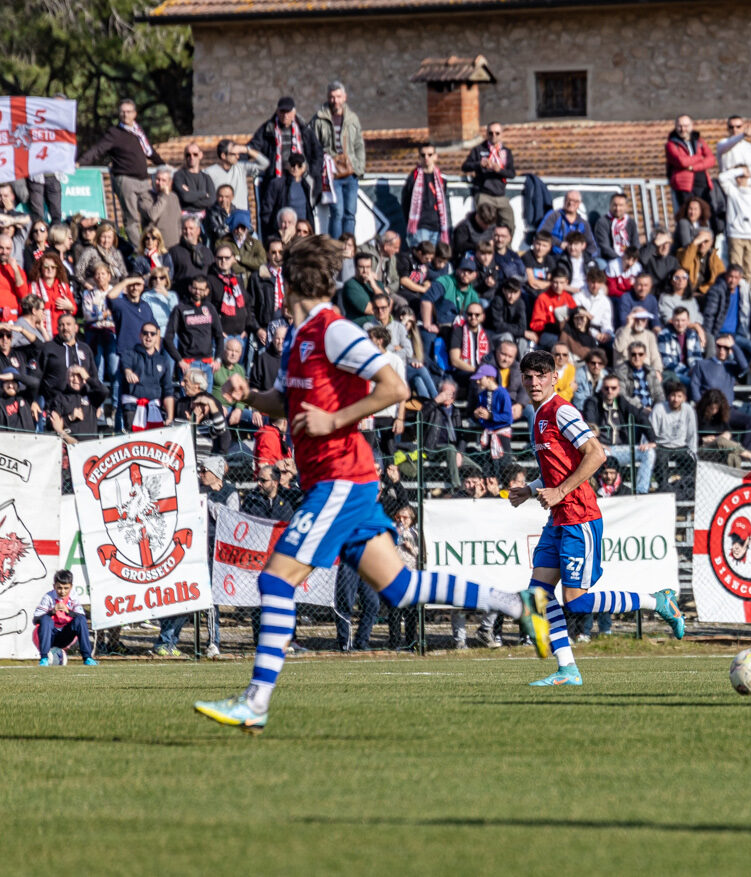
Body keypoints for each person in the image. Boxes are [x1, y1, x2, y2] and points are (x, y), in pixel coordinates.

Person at [192, 235, 553, 733]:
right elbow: (286, 402)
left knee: (275, 580)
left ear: (291, 280)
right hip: (345, 484)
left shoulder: (334, 331)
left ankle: (255, 702)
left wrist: (335, 419)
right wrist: (250, 396)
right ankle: (517, 602)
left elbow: (396, 388)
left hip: (340, 479)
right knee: (401, 587)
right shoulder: (298, 338)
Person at [509, 350, 685, 686]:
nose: (533, 382)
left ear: (553, 377)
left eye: (540, 375)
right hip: (558, 519)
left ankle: (658, 601)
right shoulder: (539, 416)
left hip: (579, 517)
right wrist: (532, 490)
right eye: (527, 376)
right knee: (538, 597)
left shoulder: (561, 411)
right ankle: (567, 670)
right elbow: (559, 468)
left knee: (576, 602)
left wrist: (560, 492)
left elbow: (597, 454)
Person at [77, 100, 164, 249]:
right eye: (123, 112)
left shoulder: (138, 132)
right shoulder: (115, 133)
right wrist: (80, 162)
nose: (125, 115)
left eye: (129, 111)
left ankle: (153, 248)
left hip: (143, 180)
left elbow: (149, 151)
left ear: (135, 114)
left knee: (150, 215)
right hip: (125, 180)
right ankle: (140, 251)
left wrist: (163, 165)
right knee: (131, 219)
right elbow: (98, 149)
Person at [312, 82, 365, 239]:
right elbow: (313, 145)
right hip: (331, 174)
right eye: (332, 97)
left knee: (350, 213)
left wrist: (359, 168)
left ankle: (348, 248)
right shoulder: (319, 119)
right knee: (337, 213)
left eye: (338, 97)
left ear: (345, 97)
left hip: (350, 173)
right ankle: (335, 248)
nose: (335, 100)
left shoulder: (352, 119)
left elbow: (359, 145)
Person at [462, 123, 517, 232]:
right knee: (484, 224)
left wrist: (499, 170)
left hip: (500, 195)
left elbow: (512, 173)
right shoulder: (478, 150)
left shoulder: (506, 151)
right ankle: (485, 247)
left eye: (497, 133)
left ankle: (505, 248)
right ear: (487, 134)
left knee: (509, 223)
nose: (494, 136)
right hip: (484, 194)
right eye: (491, 133)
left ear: (501, 134)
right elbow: (465, 167)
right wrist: (479, 164)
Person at [34, 571, 97, 666]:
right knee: (46, 620)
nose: (62, 591)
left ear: (71, 587)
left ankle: (87, 658)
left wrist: (68, 611)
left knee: (80, 620)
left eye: (66, 588)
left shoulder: (73, 597)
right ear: (54, 586)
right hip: (50, 636)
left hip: (65, 636)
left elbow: (82, 618)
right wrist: (51, 612)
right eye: (59, 588)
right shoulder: (48, 597)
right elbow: (36, 620)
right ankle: (44, 658)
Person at [400, 144, 450, 248]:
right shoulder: (413, 178)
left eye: (430, 154)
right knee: (422, 261)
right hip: (419, 227)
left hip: (437, 227)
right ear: (419, 157)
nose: (426, 158)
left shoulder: (441, 179)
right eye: (423, 155)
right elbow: (405, 203)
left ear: (436, 157)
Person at [664, 115, 715, 209]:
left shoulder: (699, 141)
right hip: (684, 186)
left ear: (692, 126)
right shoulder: (671, 144)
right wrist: (699, 157)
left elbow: (711, 159)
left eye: (686, 126)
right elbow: (681, 161)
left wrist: (693, 167)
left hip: (703, 183)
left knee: (708, 214)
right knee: (688, 215)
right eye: (680, 126)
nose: (683, 129)